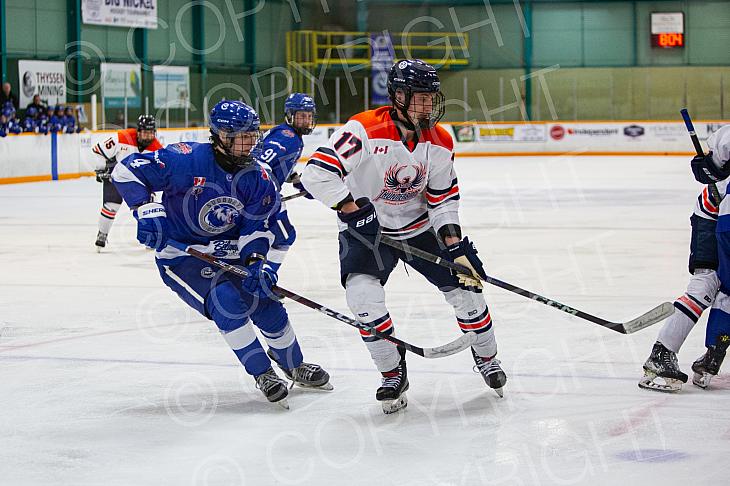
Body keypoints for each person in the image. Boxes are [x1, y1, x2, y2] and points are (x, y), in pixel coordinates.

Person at [301, 59, 507, 414]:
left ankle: (487, 357)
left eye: (431, 98)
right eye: (420, 98)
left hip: (421, 229)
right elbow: (317, 175)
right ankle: (392, 372)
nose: (428, 106)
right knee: (363, 300)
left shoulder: (440, 141)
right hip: (367, 233)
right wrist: (352, 210)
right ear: (397, 95)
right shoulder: (364, 130)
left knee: (467, 291)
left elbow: (443, 200)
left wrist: (455, 247)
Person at [110, 100, 331, 407]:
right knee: (227, 303)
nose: (249, 143)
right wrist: (146, 209)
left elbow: (256, 228)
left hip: (231, 253)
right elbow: (125, 171)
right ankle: (262, 372)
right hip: (182, 256)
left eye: (252, 135)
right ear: (219, 136)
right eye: (240, 136)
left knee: (266, 304)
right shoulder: (184, 159)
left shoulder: (259, 176)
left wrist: (257, 262)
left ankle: (293, 364)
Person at [680, 125, 730, 389]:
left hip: (724, 219)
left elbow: (710, 170)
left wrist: (706, 166)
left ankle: (713, 355)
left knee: (726, 290)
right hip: (721, 217)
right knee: (720, 287)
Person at [254, 92, 317, 272]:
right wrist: (268, 193)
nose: (306, 120)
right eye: (302, 116)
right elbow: (261, 164)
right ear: (290, 116)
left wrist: (297, 182)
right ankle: (264, 279)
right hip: (261, 195)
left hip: (260, 193)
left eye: (309, 116)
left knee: (268, 237)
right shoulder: (288, 137)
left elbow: (278, 164)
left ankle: (259, 276)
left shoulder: (287, 134)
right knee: (284, 237)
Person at [91, 114, 162, 251]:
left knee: (147, 209)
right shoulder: (122, 137)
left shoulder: (157, 148)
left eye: (151, 133)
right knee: (111, 206)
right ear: (138, 131)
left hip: (139, 182)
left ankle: (150, 238)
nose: (148, 136)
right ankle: (102, 234)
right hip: (116, 176)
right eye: (145, 133)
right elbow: (98, 150)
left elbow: (159, 171)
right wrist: (101, 169)